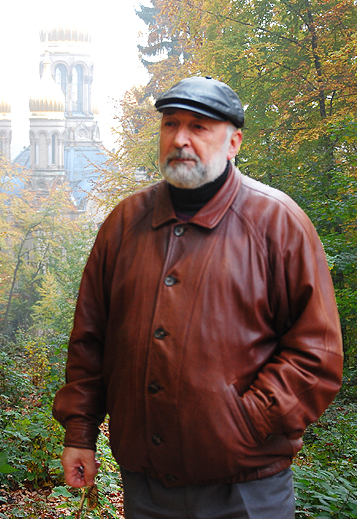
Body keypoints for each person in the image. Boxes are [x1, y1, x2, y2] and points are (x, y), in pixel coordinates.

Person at [53, 76, 343, 519]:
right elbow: (91, 339)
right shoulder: (125, 223)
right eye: (170, 124)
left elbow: (316, 352)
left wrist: (246, 421)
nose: (180, 139)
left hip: (246, 489)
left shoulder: (277, 222)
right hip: (146, 487)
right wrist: (80, 431)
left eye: (199, 127)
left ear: (233, 142)